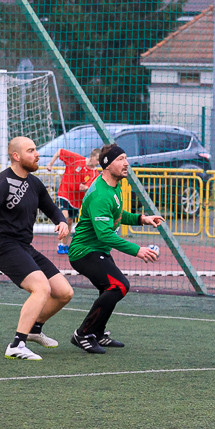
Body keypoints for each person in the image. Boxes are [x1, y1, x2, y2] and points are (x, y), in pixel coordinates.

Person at [0, 136, 74, 360]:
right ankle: (17, 345)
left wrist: (60, 221)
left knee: (64, 292)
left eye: (36, 149)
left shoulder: (34, 183)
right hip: (5, 247)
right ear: (16, 156)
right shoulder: (2, 183)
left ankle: (34, 330)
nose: (37, 154)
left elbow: (53, 209)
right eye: (31, 150)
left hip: (25, 247)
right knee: (41, 288)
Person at [68, 143, 164, 354]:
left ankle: (98, 333)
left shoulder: (113, 187)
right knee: (119, 286)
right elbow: (104, 234)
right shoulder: (100, 194)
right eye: (120, 159)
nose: (126, 163)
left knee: (110, 288)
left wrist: (142, 219)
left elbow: (118, 215)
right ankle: (83, 334)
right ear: (107, 165)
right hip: (84, 251)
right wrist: (137, 250)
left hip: (98, 250)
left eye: (125, 158)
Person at [47, 147, 101, 254]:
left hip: (76, 200)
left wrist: (85, 188)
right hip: (65, 192)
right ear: (92, 156)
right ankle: (59, 235)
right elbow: (60, 152)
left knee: (70, 222)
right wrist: (50, 164)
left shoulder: (95, 174)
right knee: (65, 217)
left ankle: (63, 245)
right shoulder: (76, 159)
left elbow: (92, 188)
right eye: (98, 159)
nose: (98, 163)